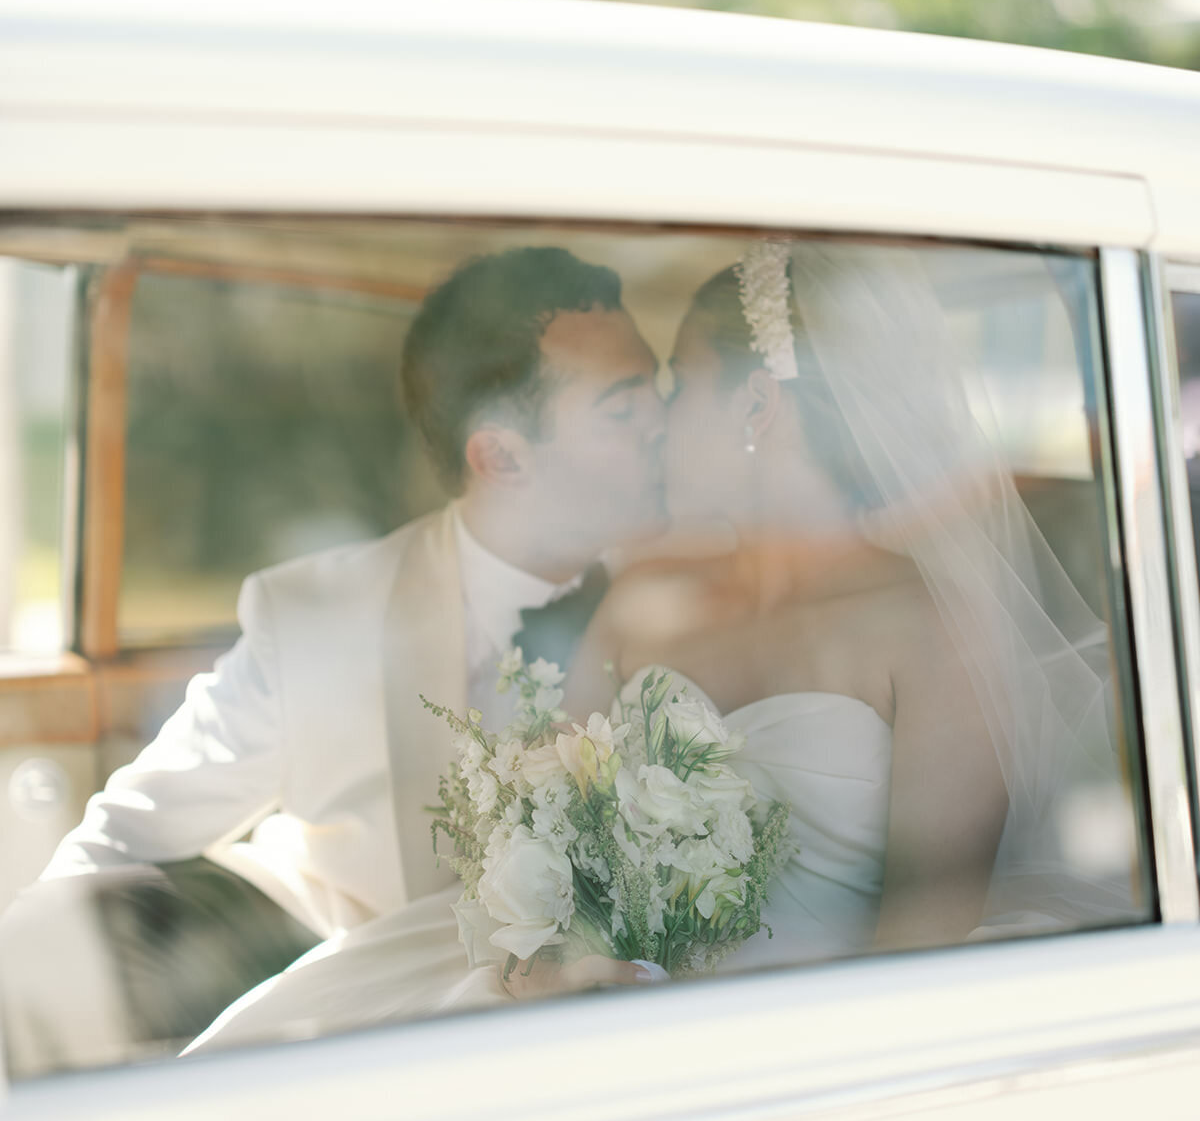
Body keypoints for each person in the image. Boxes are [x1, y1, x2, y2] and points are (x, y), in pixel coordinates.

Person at [183, 238, 1136, 1055]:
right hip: (568, 1000)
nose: (660, 419)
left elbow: (925, 936)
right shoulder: (647, 594)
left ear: (758, 409)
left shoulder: (930, 629)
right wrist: (556, 952)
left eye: (678, 385)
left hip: (786, 1040)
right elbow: (535, 816)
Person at [0, 246, 667, 1074]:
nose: (663, 426)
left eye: (659, 392)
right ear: (501, 456)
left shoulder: (702, 597)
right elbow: (128, 834)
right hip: (344, 1002)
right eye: (623, 407)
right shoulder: (319, 615)